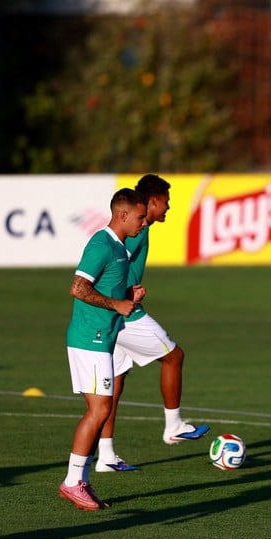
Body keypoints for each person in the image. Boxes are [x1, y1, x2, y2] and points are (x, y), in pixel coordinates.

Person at [96, 174, 209, 473]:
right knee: (174, 356)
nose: (167, 209)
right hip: (125, 313)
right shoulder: (138, 227)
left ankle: (106, 456)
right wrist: (124, 294)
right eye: (166, 203)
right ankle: (174, 426)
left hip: (112, 315)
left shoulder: (139, 224)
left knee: (116, 383)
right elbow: (115, 259)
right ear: (153, 201)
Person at [60, 189, 148, 510]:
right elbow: (78, 287)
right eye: (140, 217)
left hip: (101, 338)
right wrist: (117, 303)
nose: (144, 222)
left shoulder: (121, 249)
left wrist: (127, 293)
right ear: (122, 215)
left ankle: (78, 480)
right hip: (91, 338)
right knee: (99, 410)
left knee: (102, 409)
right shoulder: (102, 244)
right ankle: (73, 482)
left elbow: (104, 286)